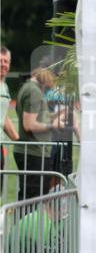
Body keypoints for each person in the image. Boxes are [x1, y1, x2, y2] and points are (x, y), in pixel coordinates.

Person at [15, 66, 64, 200]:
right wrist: (53, 125)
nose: (52, 86)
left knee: (30, 197)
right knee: (32, 200)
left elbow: (38, 117)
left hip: (33, 152)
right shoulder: (34, 91)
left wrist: (56, 115)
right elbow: (29, 125)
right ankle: (22, 222)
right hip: (34, 153)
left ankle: (23, 221)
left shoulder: (30, 88)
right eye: (53, 81)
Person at [0, 47, 20, 191]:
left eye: (6, 61)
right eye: (0, 61)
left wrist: (18, 140)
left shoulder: (4, 86)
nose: (3, 64)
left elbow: (3, 116)